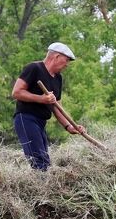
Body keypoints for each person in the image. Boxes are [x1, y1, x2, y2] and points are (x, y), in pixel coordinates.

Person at [11, 42, 82, 171]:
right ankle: (40, 189)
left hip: (41, 122)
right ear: (56, 57)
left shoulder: (58, 78)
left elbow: (57, 107)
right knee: (39, 161)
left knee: (45, 162)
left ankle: (43, 186)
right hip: (26, 119)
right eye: (66, 60)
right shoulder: (34, 68)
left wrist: (69, 126)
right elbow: (16, 92)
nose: (67, 65)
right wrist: (41, 99)